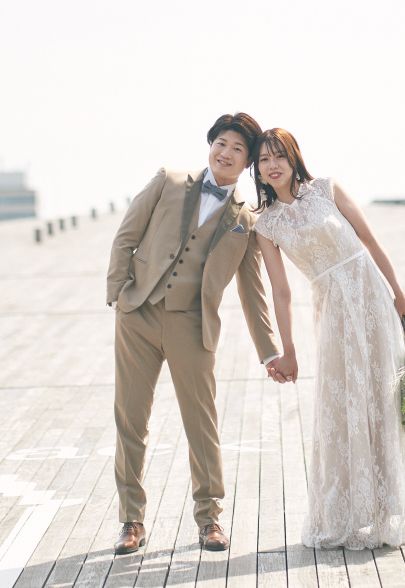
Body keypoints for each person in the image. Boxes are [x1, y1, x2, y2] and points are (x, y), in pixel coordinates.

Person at [253, 127, 405, 549]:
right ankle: (350, 512)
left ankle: (392, 505)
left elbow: (370, 241)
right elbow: (279, 291)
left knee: (383, 396)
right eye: (264, 160)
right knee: (344, 400)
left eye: (279, 155)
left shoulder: (326, 189)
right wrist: (289, 350)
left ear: (294, 156)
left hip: (371, 295)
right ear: (258, 171)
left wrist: (400, 295)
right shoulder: (267, 225)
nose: (273, 164)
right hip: (333, 307)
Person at [106, 112, 281, 555]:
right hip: (139, 315)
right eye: (221, 143)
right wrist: (118, 296)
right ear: (210, 146)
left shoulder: (247, 220)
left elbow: (253, 293)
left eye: (237, 149)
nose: (226, 153)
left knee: (201, 424)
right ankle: (131, 520)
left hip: (192, 324)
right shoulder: (168, 181)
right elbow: (126, 236)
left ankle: (210, 520)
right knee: (130, 419)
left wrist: (270, 354)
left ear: (246, 164)